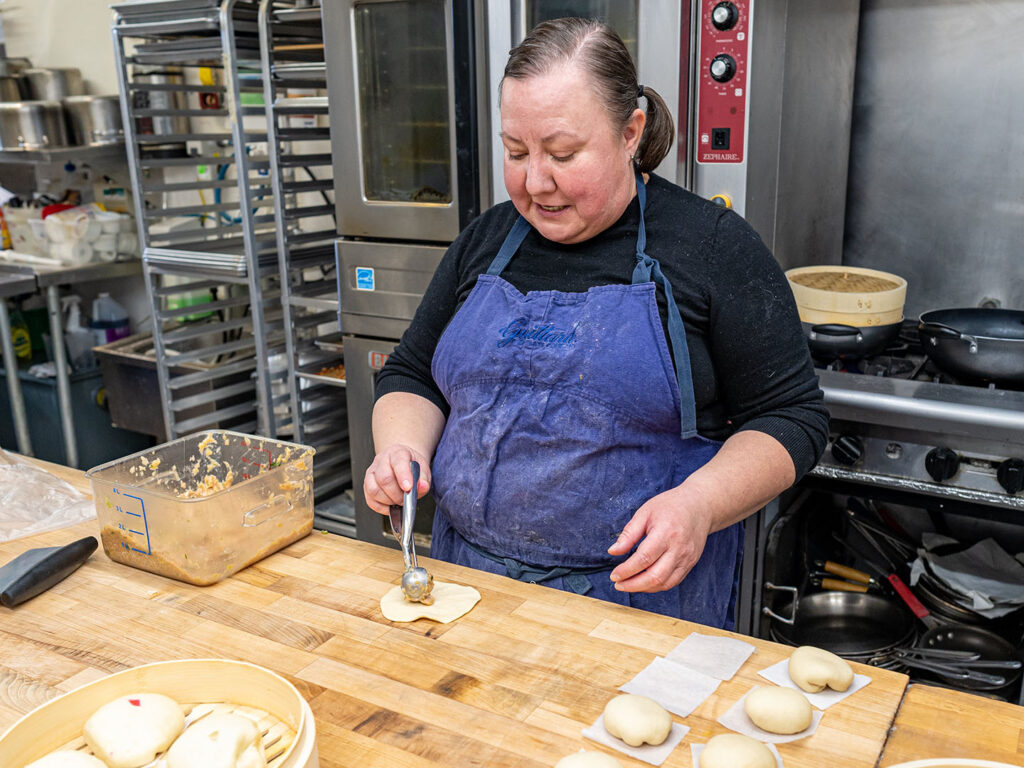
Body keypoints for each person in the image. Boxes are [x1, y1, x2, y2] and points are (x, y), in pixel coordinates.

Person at [363, 17, 828, 630]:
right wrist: (401, 448)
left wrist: (700, 505)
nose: (535, 182)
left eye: (562, 154)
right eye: (515, 152)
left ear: (630, 132)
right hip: (464, 589)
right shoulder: (486, 239)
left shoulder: (713, 247)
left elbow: (792, 418)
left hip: (640, 604)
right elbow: (412, 376)